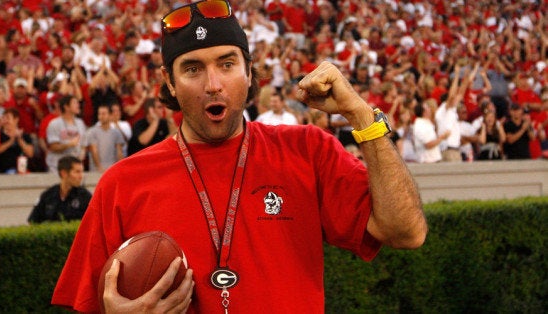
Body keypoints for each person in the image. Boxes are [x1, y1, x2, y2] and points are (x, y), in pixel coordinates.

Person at [52, 1, 427, 312]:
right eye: (193, 69)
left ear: (249, 72)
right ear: (170, 82)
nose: (213, 84)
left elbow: (405, 231)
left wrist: (362, 115)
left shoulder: (308, 151)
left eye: (227, 64)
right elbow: (81, 303)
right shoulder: (122, 182)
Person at [27, 155, 92, 223]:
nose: (81, 176)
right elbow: (33, 221)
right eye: (77, 172)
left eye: (82, 172)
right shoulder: (48, 195)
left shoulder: (85, 197)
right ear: (63, 173)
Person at [45, 95, 87, 173]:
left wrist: (82, 154)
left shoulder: (80, 123)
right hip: (57, 166)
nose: (78, 105)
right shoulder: (54, 124)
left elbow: (84, 144)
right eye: (74, 103)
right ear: (66, 107)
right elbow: (53, 147)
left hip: (75, 167)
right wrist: (69, 144)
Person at [0, 108, 34, 174]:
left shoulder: (25, 136)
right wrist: (11, 141)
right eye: (3, 118)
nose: (5, 121)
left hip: (21, 171)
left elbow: (30, 153)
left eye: (8, 118)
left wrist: (19, 139)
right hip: (1, 171)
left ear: (16, 120)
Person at [85, 105, 124, 172]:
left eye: (104, 114)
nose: (101, 116)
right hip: (96, 170)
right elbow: (94, 150)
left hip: (112, 169)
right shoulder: (92, 132)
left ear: (110, 115)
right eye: (99, 114)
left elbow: (119, 152)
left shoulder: (116, 133)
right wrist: (99, 167)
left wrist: (120, 167)